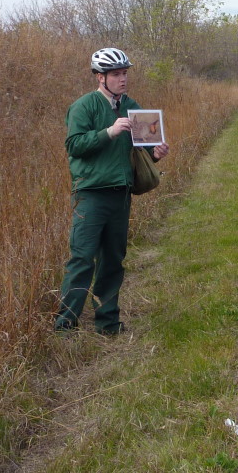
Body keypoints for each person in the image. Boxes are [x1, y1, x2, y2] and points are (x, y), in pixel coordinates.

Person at [56, 48, 170, 334]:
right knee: (82, 259)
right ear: (100, 77)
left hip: (121, 194)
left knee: (113, 260)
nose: (123, 79)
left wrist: (155, 154)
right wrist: (109, 131)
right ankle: (65, 325)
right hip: (91, 194)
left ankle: (108, 323)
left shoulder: (133, 105)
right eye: (116, 74)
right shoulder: (84, 106)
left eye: (125, 73)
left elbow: (141, 150)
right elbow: (75, 146)